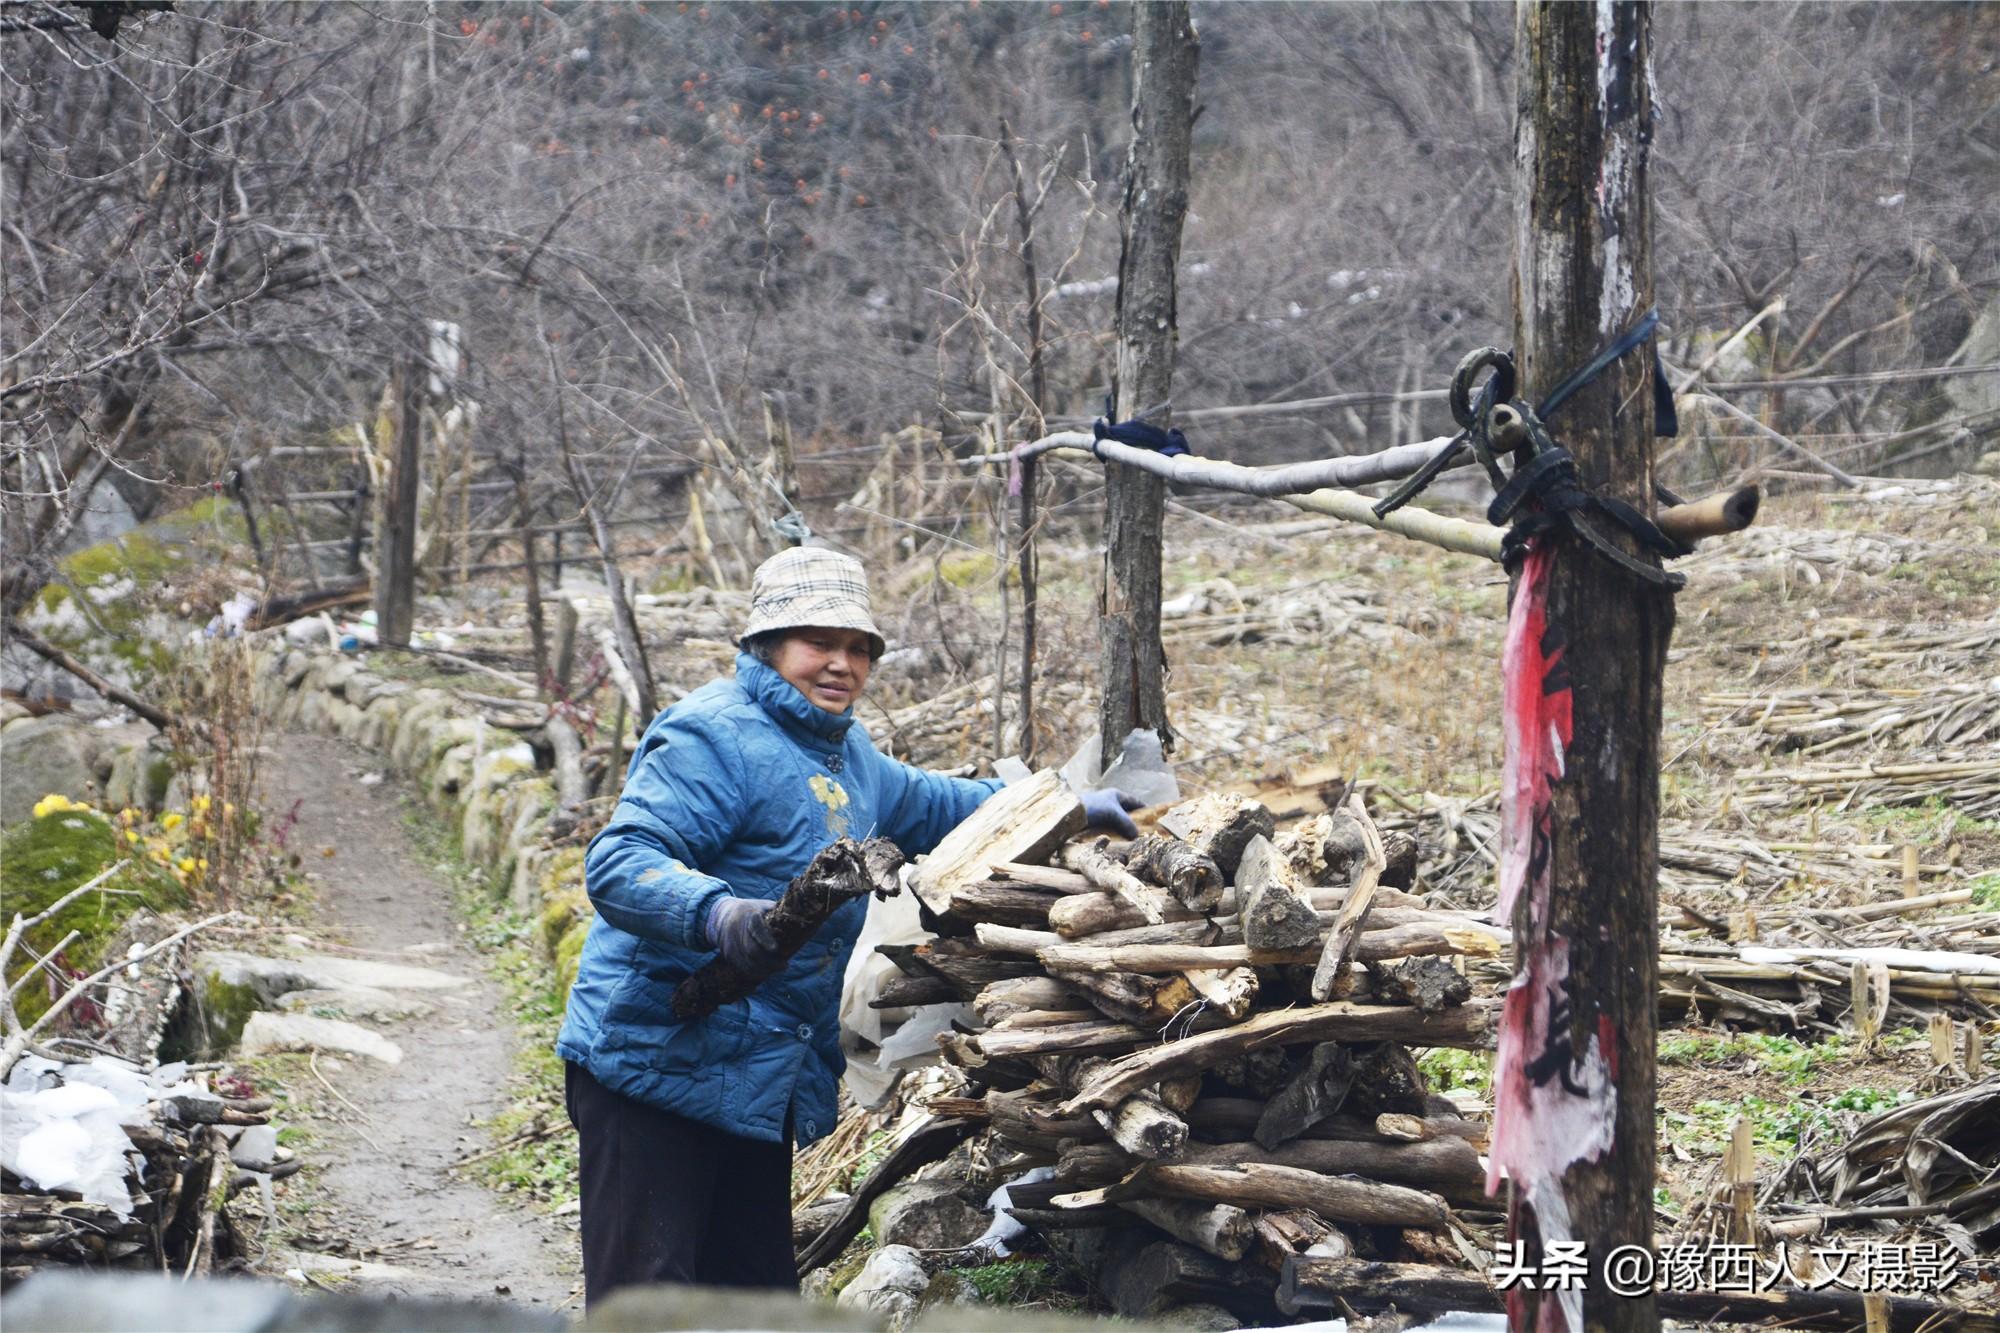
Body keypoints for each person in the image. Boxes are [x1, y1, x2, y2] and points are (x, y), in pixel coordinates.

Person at [556, 545, 1138, 1304]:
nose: (841, 663)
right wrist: (720, 913)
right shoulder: (712, 736)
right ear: (767, 645)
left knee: (752, 1305)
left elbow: (935, 801)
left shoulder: (845, 754)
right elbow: (622, 859)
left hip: (754, 1079)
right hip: (656, 1063)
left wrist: (1060, 799)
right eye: (819, 643)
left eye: (858, 647)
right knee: (648, 1306)